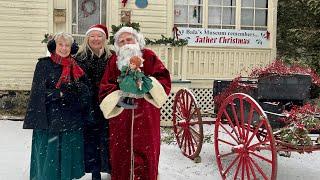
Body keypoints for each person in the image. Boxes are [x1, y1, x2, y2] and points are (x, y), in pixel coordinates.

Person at [99, 27, 171, 180]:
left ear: (137, 40)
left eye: (129, 39)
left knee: (147, 153)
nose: (126, 43)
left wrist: (147, 84)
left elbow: (163, 80)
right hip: (121, 117)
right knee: (121, 155)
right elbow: (106, 85)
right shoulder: (114, 61)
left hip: (146, 115)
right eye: (121, 41)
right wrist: (119, 96)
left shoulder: (149, 56)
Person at [23, 32, 91, 180]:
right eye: (60, 44)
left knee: (68, 159)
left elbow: (86, 91)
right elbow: (38, 92)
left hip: (71, 119)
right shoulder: (43, 65)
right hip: (49, 119)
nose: (64, 48)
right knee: (49, 160)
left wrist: (78, 91)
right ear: (54, 46)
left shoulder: (78, 66)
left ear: (71, 47)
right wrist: (59, 94)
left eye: (67, 45)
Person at [75, 24, 111, 180]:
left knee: (108, 139)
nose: (96, 39)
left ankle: (111, 169)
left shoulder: (112, 57)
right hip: (87, 105)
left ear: (104, 39)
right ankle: (95, 171)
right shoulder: (79, 58)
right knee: (91, 141)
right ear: (87, 39)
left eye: (99, 36)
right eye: (92, 36)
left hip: (108, 104)